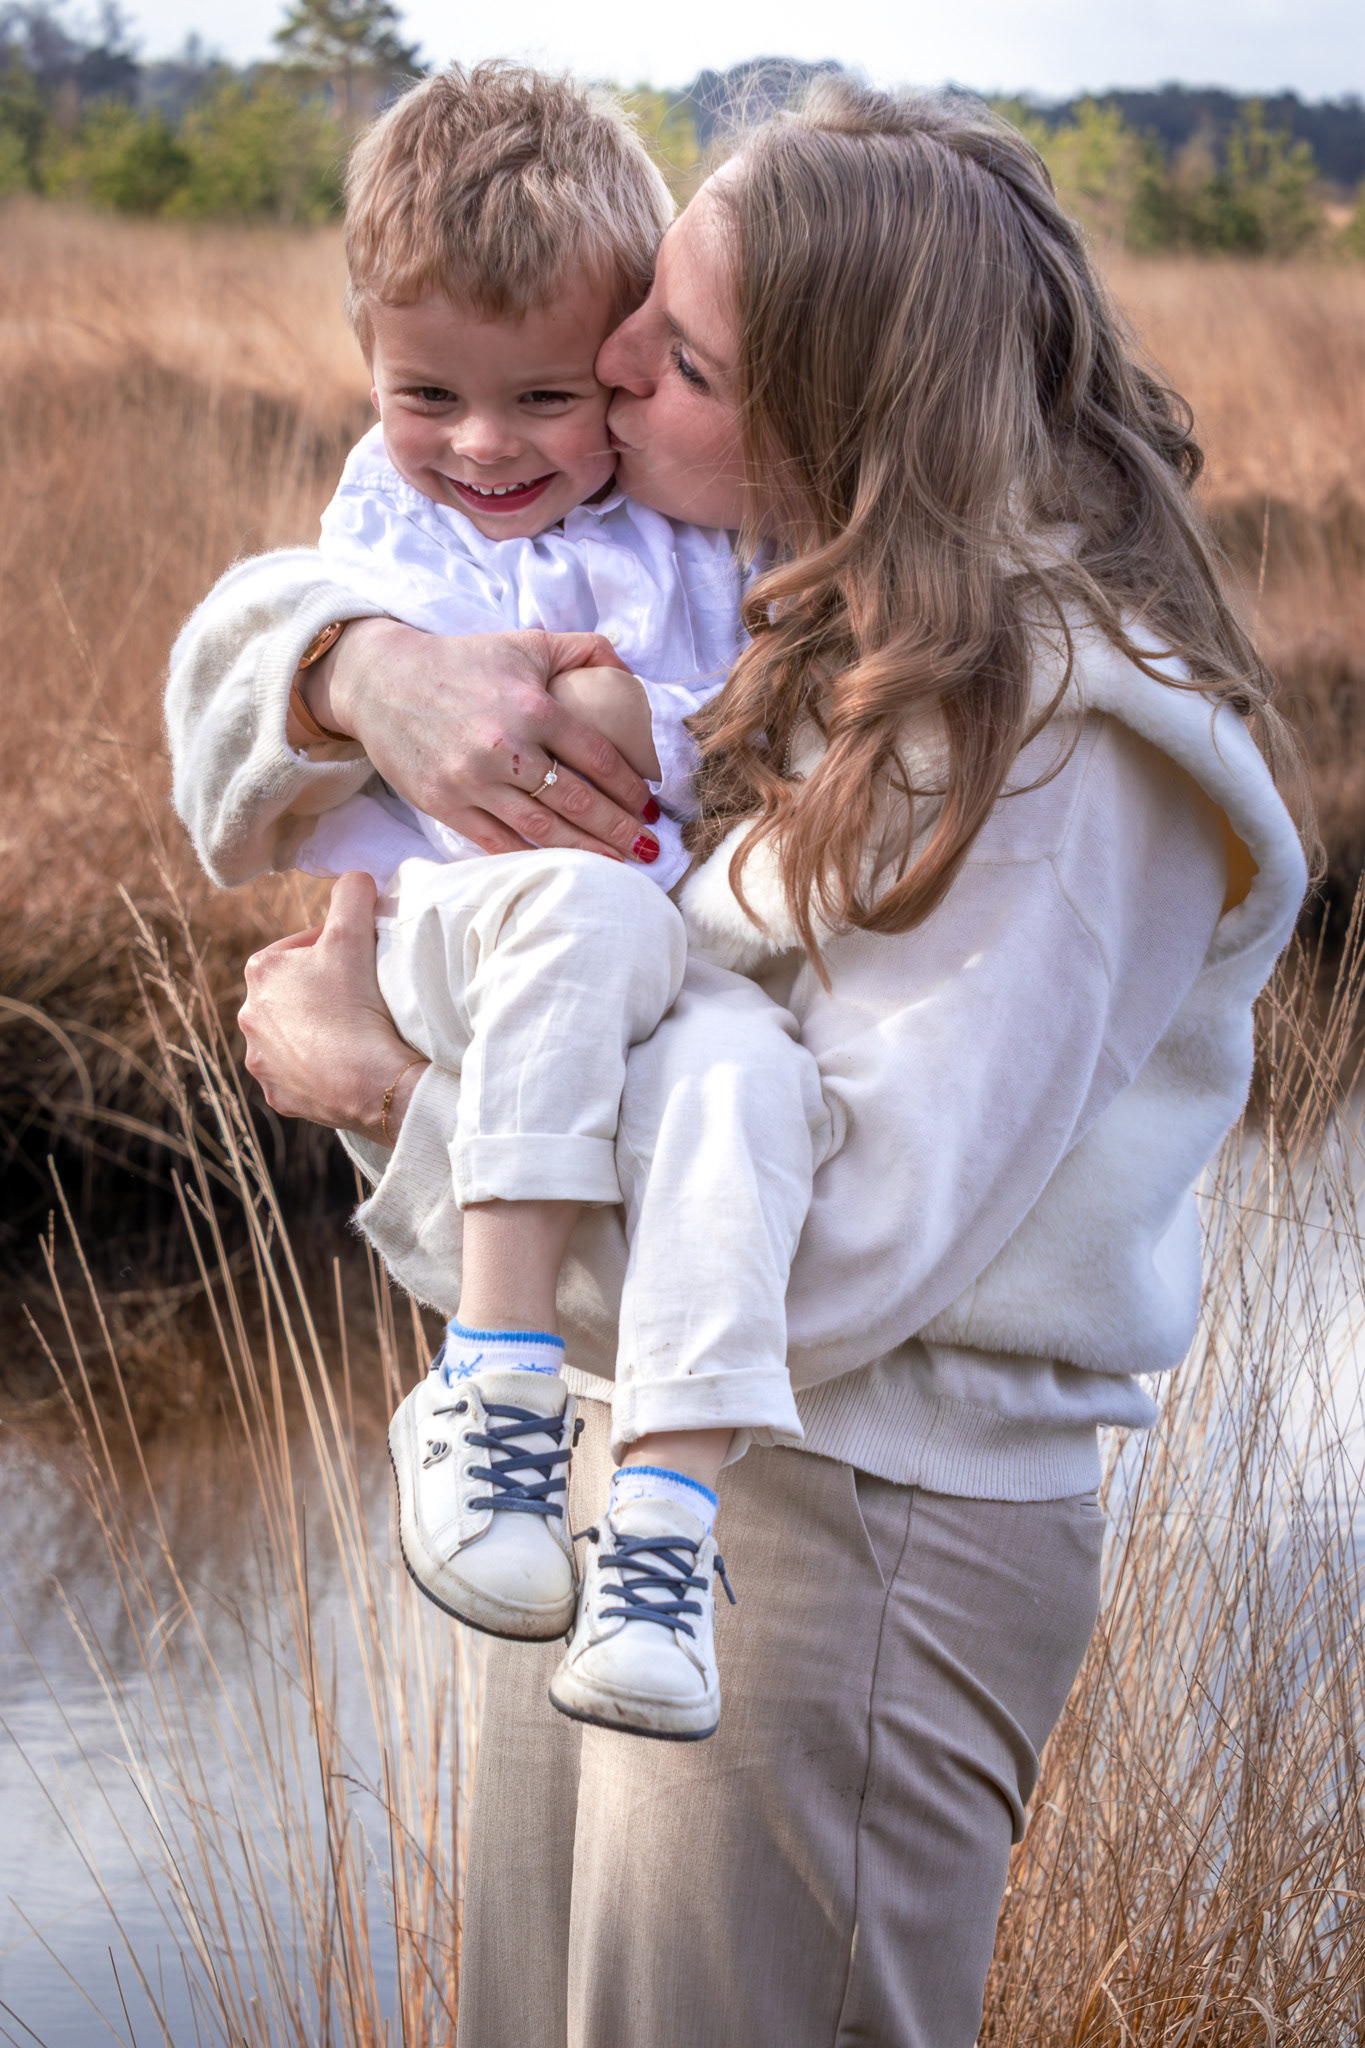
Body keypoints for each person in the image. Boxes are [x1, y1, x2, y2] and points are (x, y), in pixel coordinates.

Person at [166, 80, 1312, 2048]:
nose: (603, 365)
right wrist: (366, 666)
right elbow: (248, 700)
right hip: (604, 1472)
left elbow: (844, 1257)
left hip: (845, 1535)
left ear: (834, 427)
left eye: (674, 355)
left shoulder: (1070, 744)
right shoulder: (778, 604)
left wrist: (395, 1097)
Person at [206, 60, 830, 1738]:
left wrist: (653, 727)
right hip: (466, 936)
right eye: (428, 395)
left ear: (624, 360)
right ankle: (492, 1381)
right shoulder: (385, 509)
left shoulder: (691, 531)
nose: (481, 449)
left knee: (747, 1081)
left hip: (643, 955)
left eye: (545, 400)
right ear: (366, 357)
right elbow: (304, 655)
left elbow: (736, 720)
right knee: (597, 914)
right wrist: (367, 676)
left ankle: (663, 1530)